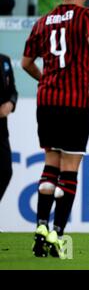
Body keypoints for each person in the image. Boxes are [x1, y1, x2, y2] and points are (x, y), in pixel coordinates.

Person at [22, 0, 89, 258]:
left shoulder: (42, 22)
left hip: (46, 102)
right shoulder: (87, 16)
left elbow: (26, 62)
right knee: (70, 168)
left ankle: (40, 227)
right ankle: (57, 234)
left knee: (50, 164)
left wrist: (44, 80)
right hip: (74, 102)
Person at [0, 53, 18, 202]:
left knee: (5, 171)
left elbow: (13, 90)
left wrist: (11, 103)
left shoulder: (4, 60)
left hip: (1, 129)